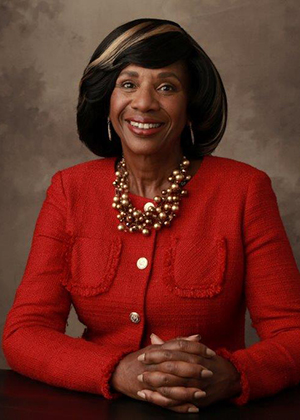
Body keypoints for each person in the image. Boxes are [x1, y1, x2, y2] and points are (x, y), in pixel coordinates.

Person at [2, 17, 300, 414]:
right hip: (97, 405)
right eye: (128, 84)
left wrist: (232, 375)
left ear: (190, 106)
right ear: (107, 100)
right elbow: (24, 334)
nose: (143, 103)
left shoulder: (244, 190)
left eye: (166, 87)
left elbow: (293, 334)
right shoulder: (69, 191)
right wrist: (116, 370)